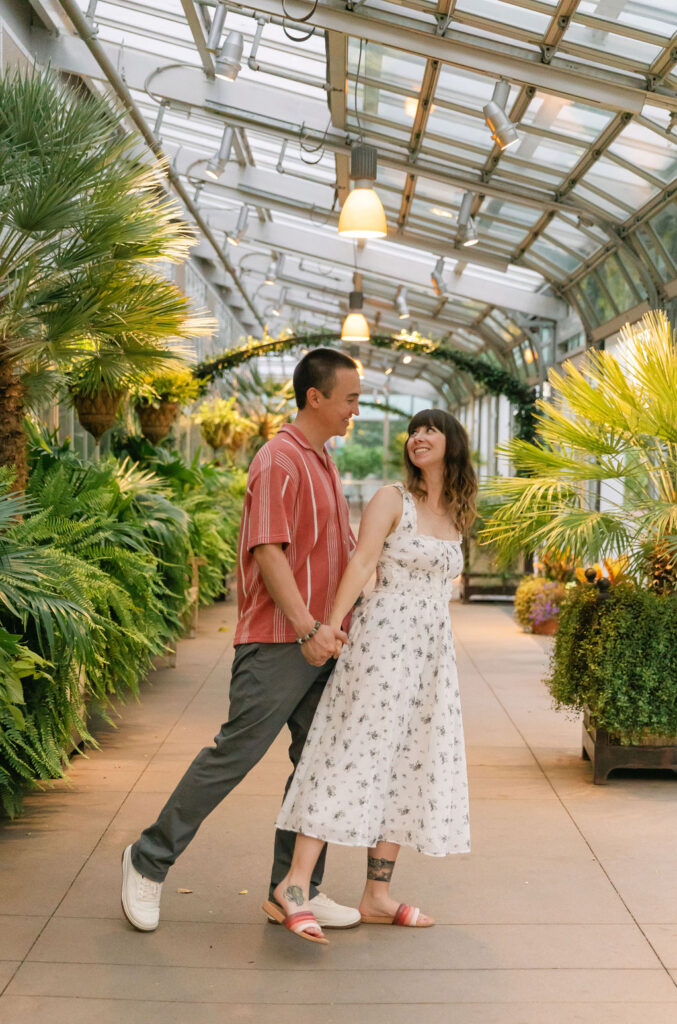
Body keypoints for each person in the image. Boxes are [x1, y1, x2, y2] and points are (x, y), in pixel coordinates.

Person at [121, 348, 364, 933]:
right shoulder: (279, 460)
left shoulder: (323, 461)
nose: (356, 408)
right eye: (350, 397)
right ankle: (147, 861)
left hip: (321, 643)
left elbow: (341, 555)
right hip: (281, 642)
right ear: (317, 397)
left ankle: (295, 890)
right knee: (233, 755)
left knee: (317, 765)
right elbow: (267, 551)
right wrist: (307, 627)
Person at [263, 408, 477, 944]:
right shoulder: (391, 499)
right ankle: (293, 885)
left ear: (453, 443)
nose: (418, 437)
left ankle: (376, 895)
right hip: (383, 643)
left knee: (408, 761)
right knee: (350, 755)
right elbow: (361, 564)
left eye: (431, 429)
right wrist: (329, 628)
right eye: (414, 431)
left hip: (430, 654)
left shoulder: (457, 511)